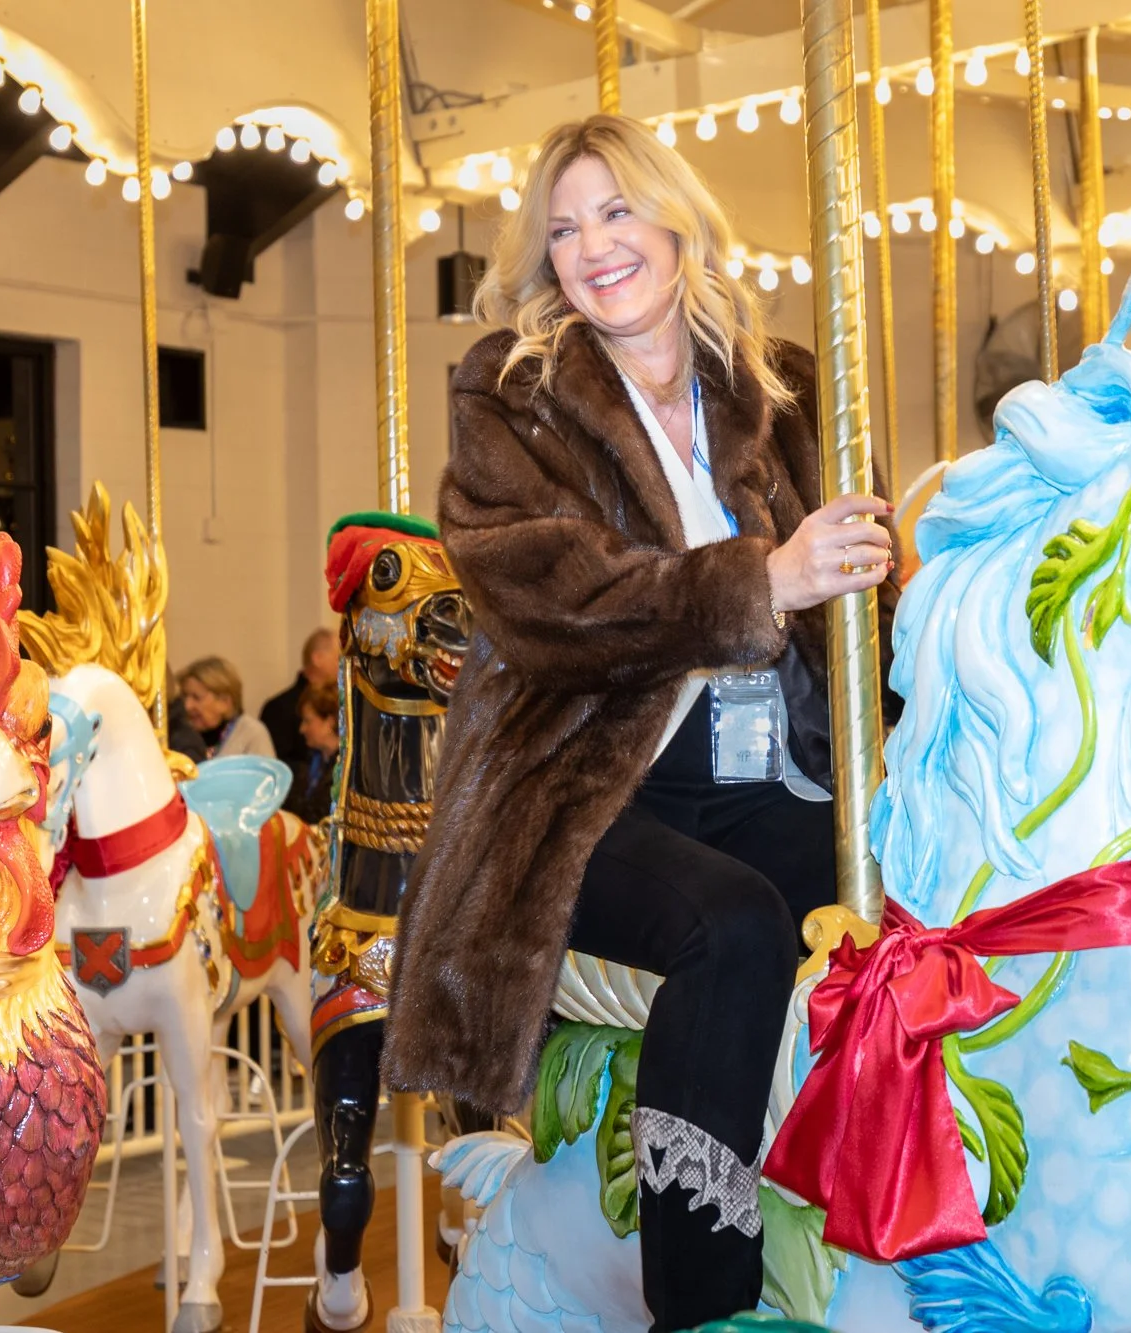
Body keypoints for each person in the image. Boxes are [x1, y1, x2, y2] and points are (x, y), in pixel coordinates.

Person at [383, 114, 895, 1331]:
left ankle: (898, 1220)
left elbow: (854, 598)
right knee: (733, 927)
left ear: (672, 219)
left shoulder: (778, 386)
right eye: (563, 228)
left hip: (783, 774)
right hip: (589, 791)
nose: (592, 246)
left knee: (938, 886)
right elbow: (550, 592)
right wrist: (758, 581)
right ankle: (700, 1304)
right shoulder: (513, 396)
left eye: (615, 213)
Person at [261, 627, 338, 768]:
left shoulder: (346, 701)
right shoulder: (278, 709)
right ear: (317, 658)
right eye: (338, 658)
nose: (343, 665)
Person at [176, 656, 275, 760]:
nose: (187, 706)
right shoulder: (181, 734)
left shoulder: (252, 734)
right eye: (184, 697)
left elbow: (266, 775)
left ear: (224, 701)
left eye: (196, 698)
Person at [285, 681, 339, 823]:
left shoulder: (350, 769)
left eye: (308, 721)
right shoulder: (311, 760)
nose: (302, 729)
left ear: (330, 721)